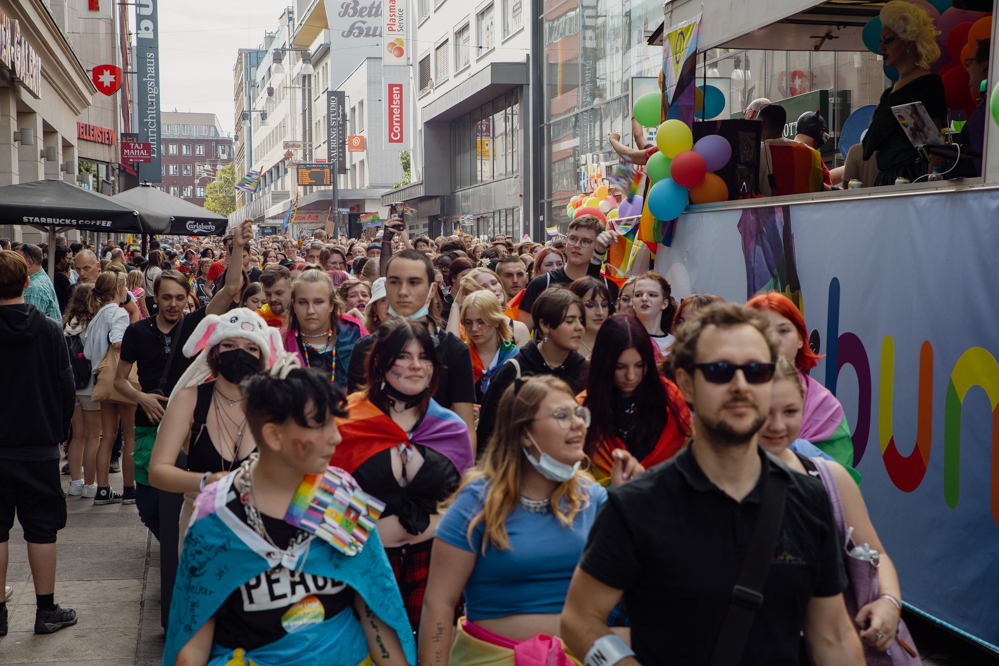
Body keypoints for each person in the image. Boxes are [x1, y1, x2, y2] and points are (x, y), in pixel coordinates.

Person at [561, 302, 865, 666]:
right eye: (720, 371)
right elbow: (580, 619)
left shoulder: (809, 498)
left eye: (756, 370)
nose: (740, 385)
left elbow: (832, 635)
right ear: (686, 383)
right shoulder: (636, 506)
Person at [165, 362, 416, 666]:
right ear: (273, 435)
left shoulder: (339, 495)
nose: (336, 438)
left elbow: (373, 604)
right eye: (319, 425)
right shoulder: (215, 517)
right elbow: (194, 635)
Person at [421, 375, 616, 666]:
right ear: (525, 433)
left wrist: (629, 506)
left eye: (578, 413)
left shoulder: (592, 496)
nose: (578, 424)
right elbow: (439, 603)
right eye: (562, 415)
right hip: (489, 658)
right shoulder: (477, 501)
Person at [115, 221, 252, 629]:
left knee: (177, 496)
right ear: (153, 298)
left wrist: (237, 248)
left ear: (187, 299)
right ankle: (171, 550)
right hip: (146, 424)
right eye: (166, 298)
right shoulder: (137, 332)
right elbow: (119, 379)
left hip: (190, 426)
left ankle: (177, 562)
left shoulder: (196, 325)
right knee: (149, 504)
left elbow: (230, 290)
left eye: (179, 298)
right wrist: (141, 397)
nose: (173, 305)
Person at [759, 356, 908, 660]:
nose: (777, 425)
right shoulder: (707, 484)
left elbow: (876, 554)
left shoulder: (829, 478)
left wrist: (889, 602)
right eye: (764, 413)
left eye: (790, 411)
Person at [333, 319, 474, 633]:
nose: (416, 366)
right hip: (364, 565)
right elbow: (322, 497)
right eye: (404, 357)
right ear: (381, 362)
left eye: (424, 357)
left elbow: (466, 504)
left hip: (436, 565)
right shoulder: (344, 420)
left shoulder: (452, 428)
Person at [148, 308, 278, 552]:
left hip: (264, 532)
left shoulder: (277, 403)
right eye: (229, 345)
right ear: (213, 351)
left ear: (263, 355)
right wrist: (209, 481)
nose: (240, 354)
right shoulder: (188, 400)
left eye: (251, 348)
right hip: (202, 529)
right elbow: (158, 472)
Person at [0, 250, 77, 636]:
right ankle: (45, 610)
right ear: (26, 282)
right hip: (39, 445)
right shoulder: (48, 330)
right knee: (42, 530)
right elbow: (66, 386)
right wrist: (61, 431)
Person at [347, 249, 477, 449]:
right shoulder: (366, 347)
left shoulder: (454, 349)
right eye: (394, 282)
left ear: (432, 290)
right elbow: (356, 416)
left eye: (414, 282)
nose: (403, 291)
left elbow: (465, 427)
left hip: (438, 460)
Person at [747, 292, 860, 484]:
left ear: (801, 339)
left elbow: (840, 487)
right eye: (761, 331)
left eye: (783, 331)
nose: (773, 339)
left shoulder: (826, 408)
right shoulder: (727, 394)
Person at [578, 314, 690, 486]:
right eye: (620, 367)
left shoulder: (670, 399)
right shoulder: (584, 406)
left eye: (639, 365)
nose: (631, 376)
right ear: (604, 364)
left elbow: (687, 458)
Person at [478, 289, 588, 447]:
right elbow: (488, 435)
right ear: (544, 325)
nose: (579, 327)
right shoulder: (513, 370)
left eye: (581, 320)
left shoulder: (586, 372)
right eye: (570, 321)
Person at [862, 0, 945, 185]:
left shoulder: (925, 84)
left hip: (909, 179)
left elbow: (932, 147)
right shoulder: (893, 90)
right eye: (880, 41)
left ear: (909, 42)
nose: (881, 48)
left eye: (888, 40)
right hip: (889, 180)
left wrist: (931, 189)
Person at [83, 270, 137, 505]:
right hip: (121, 378)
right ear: (118, 290)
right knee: (131, 435)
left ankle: (102, 489)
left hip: (102, 378)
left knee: (108, 436)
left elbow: (87, 351)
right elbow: (118, 341)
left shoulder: (97, 315)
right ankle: (129, 489)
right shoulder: (118, 312)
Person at [518, 217, 619, 331]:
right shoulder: (541, 284)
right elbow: (521, 334)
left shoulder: (607, 287)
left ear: (599, 245)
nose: (577, 245)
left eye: (585, 241)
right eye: (573, 238)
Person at [283, 270, 368, 392]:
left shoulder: (355, 332)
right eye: (302, 302)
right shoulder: (282, 342)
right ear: (294, 305)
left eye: (319, 302)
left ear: (331, 304)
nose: (310, 310)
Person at [63, 284, 102, 499]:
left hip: (72, 386)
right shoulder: (93, 324)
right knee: (93, 436)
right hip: (90, 386)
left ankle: (76, 482)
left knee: (77, 436)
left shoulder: (68, 324)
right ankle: (90, 485)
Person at [456, 290, 520, 406]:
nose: (474, 328)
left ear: (496, 321)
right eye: (468, 322)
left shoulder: (514, 356)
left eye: (481, 322)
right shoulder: (461, 356)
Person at [757, 104, 824, 197]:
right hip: (804, 210)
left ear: (762, 123)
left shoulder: (756, 153)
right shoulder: (812, 154)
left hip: (768, 210)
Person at [460, 268, 531, 346]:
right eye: (485, 287)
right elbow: (451, 351)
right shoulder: (465, 329)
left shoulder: (519, 329)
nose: (493, 289)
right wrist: (455, 306)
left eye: (494, 283)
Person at [631, 271, 677, 358]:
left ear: (664, 303)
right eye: (638, 295)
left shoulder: (674, 345)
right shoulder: (623, 337)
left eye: (652, 295)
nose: (644, 298)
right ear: (633, 302)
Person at [568, 276, 615, 360]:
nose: (600, 312)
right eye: (591, 305)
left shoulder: (617, 341)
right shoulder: (563, 346)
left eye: (604, 304)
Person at [15, 244, 60, 323]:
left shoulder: (33, 288)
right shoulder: (41, 277)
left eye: (17, 261)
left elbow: (30, 325)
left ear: (29, 263)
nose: (13, 265)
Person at [793, 111, 833, 188]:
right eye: (823, 132)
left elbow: (824, 179)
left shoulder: (789, 150)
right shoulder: (810, 153)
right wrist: (836, 190)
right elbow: (816, 184)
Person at [257, 264, 293, 328]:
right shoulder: (259, 319)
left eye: (279, 293)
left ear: (292, 289)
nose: (272, 299)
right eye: (268, 294)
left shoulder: (303, 318)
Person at [142, 249, 163, 317]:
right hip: (154, 299)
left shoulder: (146, 270)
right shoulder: (156, 270)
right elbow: (157, 285)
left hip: (147, 298)